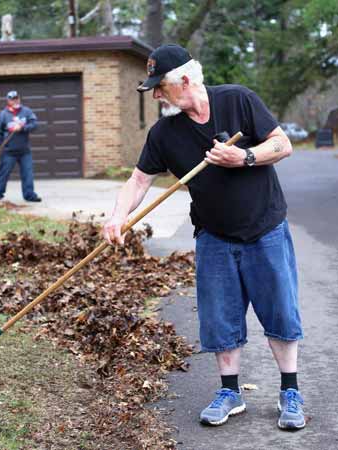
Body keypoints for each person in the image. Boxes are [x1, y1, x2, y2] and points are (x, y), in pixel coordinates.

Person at [102, 44, 305, 430]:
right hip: (214, 235)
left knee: (279, 310)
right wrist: (117, 216)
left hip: (265, 228)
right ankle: (230, 392)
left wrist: (243, 158)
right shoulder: (164, 132)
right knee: (219, 318)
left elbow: (283, 144)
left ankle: (289, 391)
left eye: (159, 86)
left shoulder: (239, 100)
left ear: (183, 79)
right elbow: (140, 179)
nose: (157, 95)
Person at [0, 91, 41, 202]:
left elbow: (34, 124)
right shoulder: (3, 115)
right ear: (8, 101)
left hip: (24, 151)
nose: (15, 101)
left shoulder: (26, 112)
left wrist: (22, 128)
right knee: (3, 173)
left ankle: (29, 195)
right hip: (8, 151)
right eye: (12, 99)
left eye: (16, 98)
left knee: (28, 174)